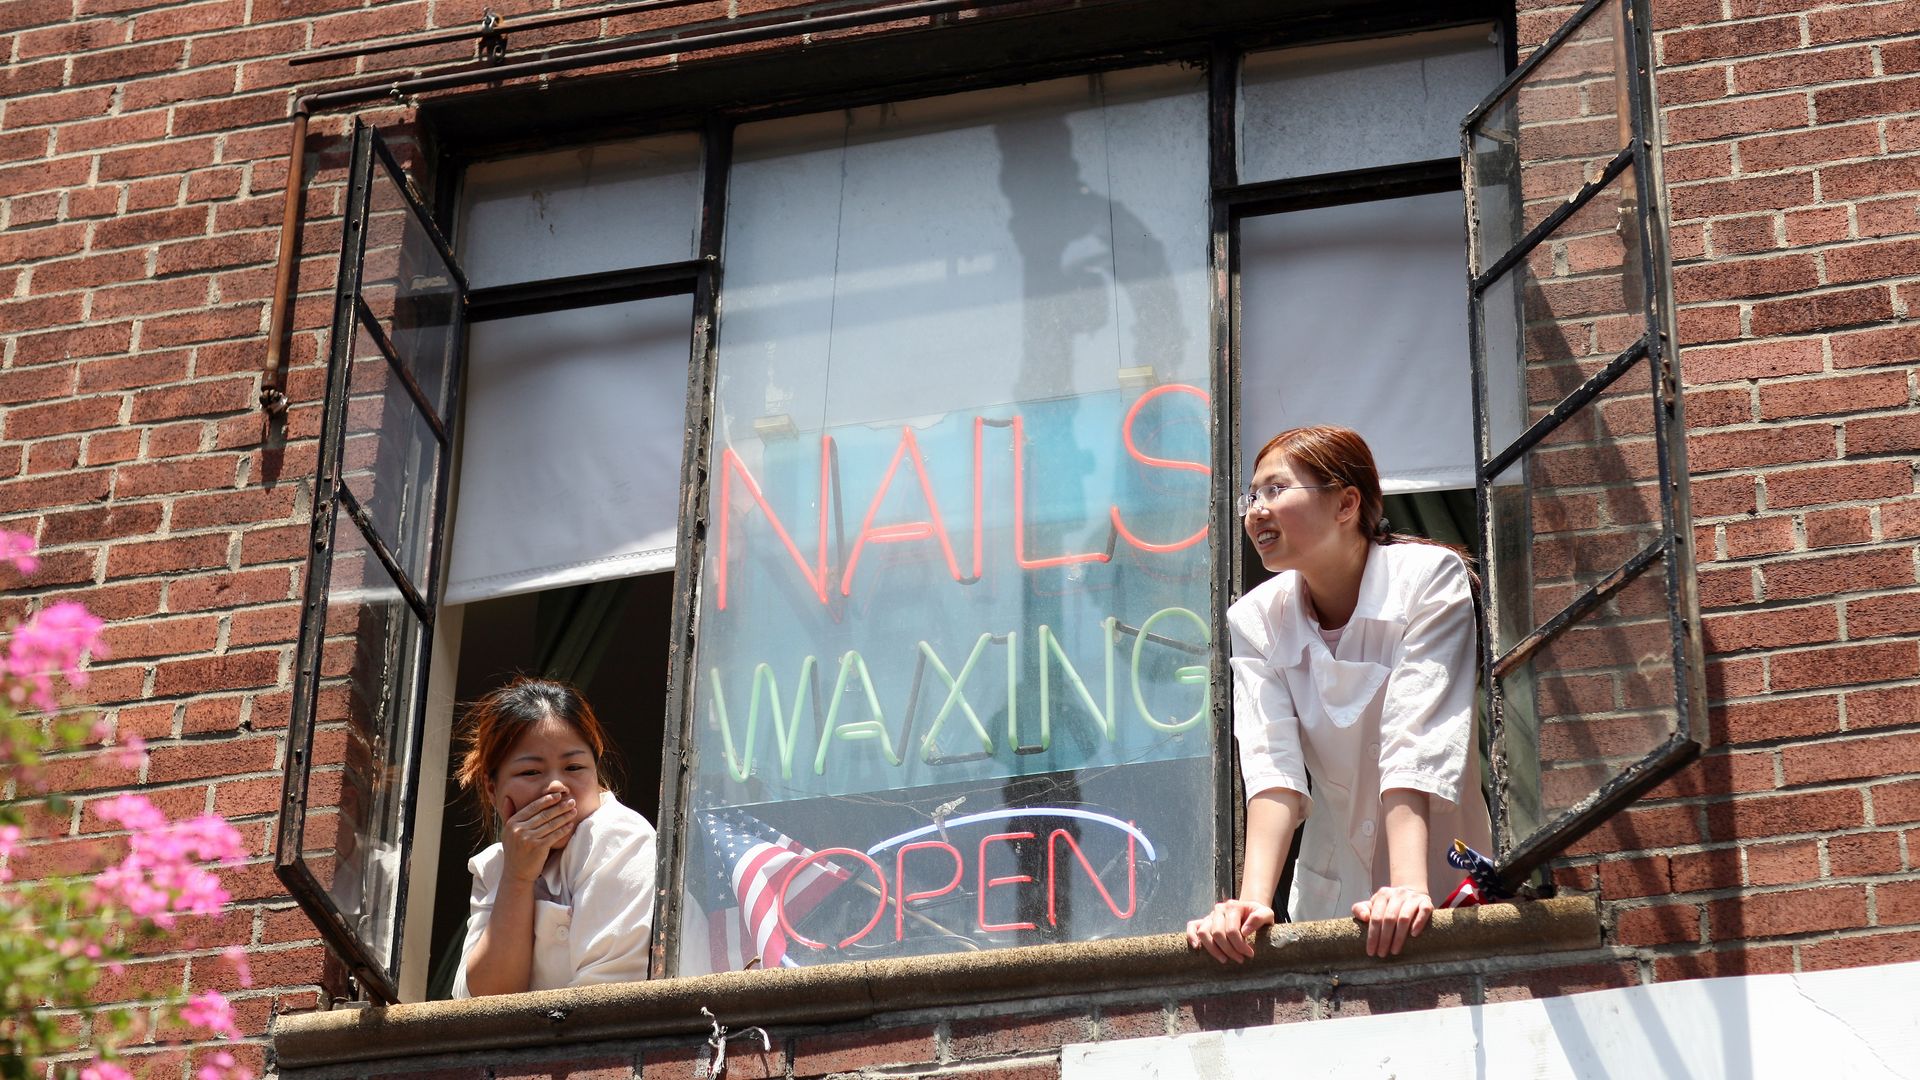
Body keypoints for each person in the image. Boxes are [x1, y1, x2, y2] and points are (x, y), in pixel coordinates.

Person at [1187, 426, 1490, 963]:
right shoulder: (1256, 619)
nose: (1256, 510)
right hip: (1333, 898)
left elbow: (1413, 736)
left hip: (1439, 878)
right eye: (1250, 496)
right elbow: (1271, 767)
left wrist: (1409, 886)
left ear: (1347, 503)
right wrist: (1253, 902)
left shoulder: (1428, 578)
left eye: (1276, 490)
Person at [451, 678, 657, 997]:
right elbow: (480, 1003)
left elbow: (605, 998)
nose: (556, 787)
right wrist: (517, 877)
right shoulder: (495, 866)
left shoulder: (618, 837)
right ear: (493, 789)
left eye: (574, 767)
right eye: (531, 772)